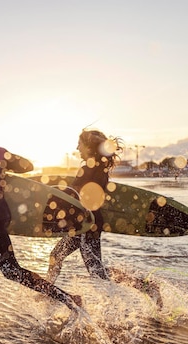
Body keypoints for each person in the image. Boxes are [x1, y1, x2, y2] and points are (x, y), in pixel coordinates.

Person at [0, 118, 82, 310]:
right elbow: (27, 166)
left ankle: (68, 299)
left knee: (11, 271)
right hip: (1, 215)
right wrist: (0, 169)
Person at [45, 129, 163, 308]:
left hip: (86, 223)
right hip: (84, 224)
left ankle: (147, 286)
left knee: (97, 272)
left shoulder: (89, 168)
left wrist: (50, 195)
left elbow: (74, 194)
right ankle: (48, 292)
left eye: (80, 144)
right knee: (57, 255)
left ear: (89, 147)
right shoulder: (99, 167)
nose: (77, 147)